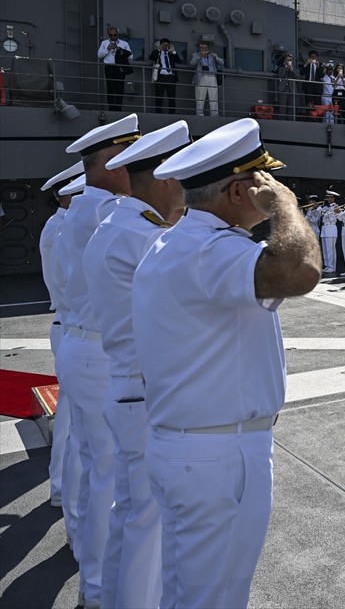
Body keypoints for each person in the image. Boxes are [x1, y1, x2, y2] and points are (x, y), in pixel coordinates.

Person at [133, 118, 320, 609]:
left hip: (189, 449)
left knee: (187, 593)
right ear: (240, 191)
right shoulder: (209, 250)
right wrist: (287, 206)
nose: (273, 189)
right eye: (264, 183)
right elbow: (299, 270)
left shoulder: (173, 242)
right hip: (218, 458)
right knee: (213, 599)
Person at [85, 120, 190, 609]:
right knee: (149, 527)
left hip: (126, 385)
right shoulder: (145, 235)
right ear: (166, 179)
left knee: (131, 515)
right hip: (148, 393)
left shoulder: (115, 225)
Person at [57, 112, 140, 609]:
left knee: (92, 465)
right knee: (111, 477)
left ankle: (84, 557)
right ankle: (98, 589)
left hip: (80, 341)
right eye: (128, 156)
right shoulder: (105, 211)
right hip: (99, 350)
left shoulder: (80, 210)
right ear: (109, 161)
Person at [38, 162, 84, 527]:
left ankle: (60, 488)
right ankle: (61, 489)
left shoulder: (59, 226)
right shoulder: (64, 229)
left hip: (69, 326)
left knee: (72, 420)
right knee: (71, 424)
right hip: (72, 325)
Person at [97, 26, 133, 111]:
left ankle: (118, 108)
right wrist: (108, 49)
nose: (113, 37)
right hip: (109, 67)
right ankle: (111, 107)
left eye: (114, 35)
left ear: (117, 34)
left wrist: (119, 50)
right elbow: (99, 55)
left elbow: (131, 56)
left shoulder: (124, 44)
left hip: (120, 67)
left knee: (119, 88)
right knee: (110, 88)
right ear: (108, 35)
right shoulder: (104, 43)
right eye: (111, 35)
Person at [148, 37, 183, 113]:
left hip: (170, 77)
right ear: (160, 45)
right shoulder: (158, 53)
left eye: (167, 45)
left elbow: (179, 61)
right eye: (164, 45)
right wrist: (159, 49)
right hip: (160, 77)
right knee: (159, 97)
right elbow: (151, 57)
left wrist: (173, 51)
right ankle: (158, 112)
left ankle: (172, 113)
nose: (165, 47)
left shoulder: (171, 54)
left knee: (171, 97)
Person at [190, 41, 224, 117]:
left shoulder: (212, 56)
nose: (203, 49)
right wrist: (200, 56)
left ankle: (215, 115)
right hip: (202, 77)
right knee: (200, 98)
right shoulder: (196, 55)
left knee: (214, 98)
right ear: (199, 48)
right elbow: (192, 64)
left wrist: (216, 57)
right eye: (202, 48)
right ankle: (199, 114)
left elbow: (222, 63)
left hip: (212, 77)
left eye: (205, 48)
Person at [318, 190, 340, 273]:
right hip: (325, 229)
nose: (329, 199)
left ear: (334, 198)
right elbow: (321, 215)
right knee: (325, 249)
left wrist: (326, 213)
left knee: (331, 250)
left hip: (331, 228)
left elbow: (331, 218)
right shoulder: (325, 207)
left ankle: (332, 266)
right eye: (328, 197)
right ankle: (327, 265)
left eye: (330, 197)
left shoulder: (336, 207)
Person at [274, 52, 298, 121]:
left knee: (291, 107)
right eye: (287, 60)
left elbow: (297, 76)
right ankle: (282, 120)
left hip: (292, 89)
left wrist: (291, 69)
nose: (289, 61)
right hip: (283, 89)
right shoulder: (281, 68)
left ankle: (290, 120)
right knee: (283, 106)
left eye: (290, 60)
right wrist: (287, 68)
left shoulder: (295, 69)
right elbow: (281, 75)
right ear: (285, 60)